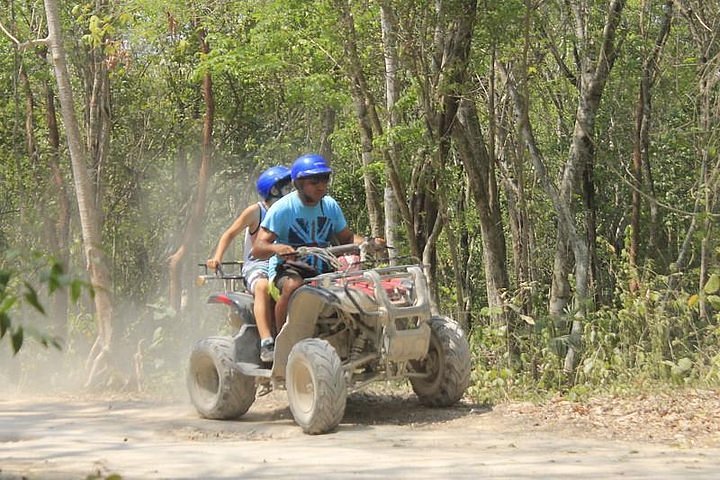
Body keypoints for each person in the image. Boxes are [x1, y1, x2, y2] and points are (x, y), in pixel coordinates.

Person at [253, 153, 381, 344]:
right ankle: (282, 339)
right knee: (293, 286)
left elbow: (346, 237)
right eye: (314, 181)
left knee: (363, 285)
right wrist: (278, 248)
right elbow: (258, 248)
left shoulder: (330, 206)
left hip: (325, 267)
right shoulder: (282, 208)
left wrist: (369, 243)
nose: (321, 186)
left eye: (325, 179)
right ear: (299, 184)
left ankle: (362, 338)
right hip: (289, 269)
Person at [207, 165, 292, 362]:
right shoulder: (256, 211)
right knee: (262, 287)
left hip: (284, 263)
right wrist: (217, 257)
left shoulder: (290, 209)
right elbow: (229, 233)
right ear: (273, 189)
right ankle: (267, 342)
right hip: (258, 265)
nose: (290, 190)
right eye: (285, 186)